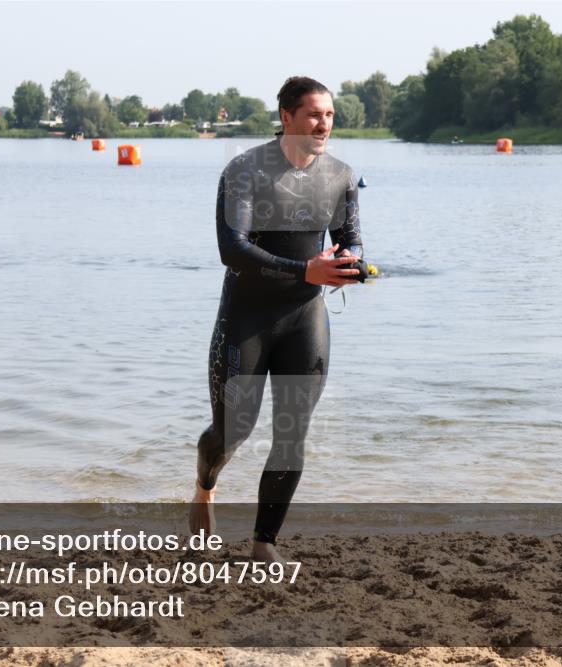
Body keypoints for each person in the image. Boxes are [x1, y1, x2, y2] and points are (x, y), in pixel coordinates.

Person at [189, 76, 365, 564]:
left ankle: (264, 542)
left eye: (329, 115)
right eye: (313, 114)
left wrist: (352, 264)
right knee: (232, 431)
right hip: (247, 318)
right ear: (286, 116)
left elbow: (350, 237)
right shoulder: (246, 170)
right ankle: (205, 486)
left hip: (305, 319)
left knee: (292, 433)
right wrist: (304, 269)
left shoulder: (341, 176)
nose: (323, 123)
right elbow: (233, 250)